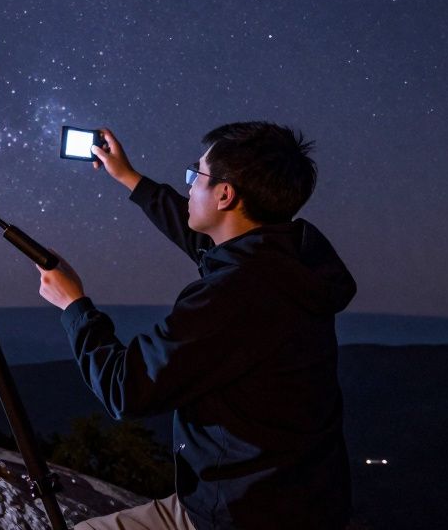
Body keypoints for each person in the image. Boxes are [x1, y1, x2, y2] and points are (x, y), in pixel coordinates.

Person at [37, 122, 356, 530]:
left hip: (237, 515)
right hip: (294, 499)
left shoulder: (233, 295)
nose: (188, 186)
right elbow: (206, 245)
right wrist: (129, 177)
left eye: (196, 175)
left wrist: (73, 304)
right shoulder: (286, 263)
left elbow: (125, 389)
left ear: (225, 195)